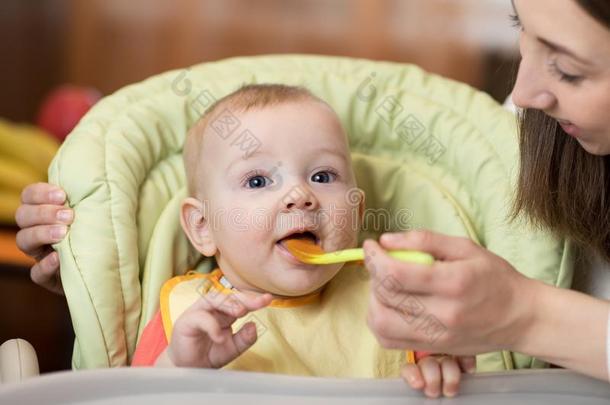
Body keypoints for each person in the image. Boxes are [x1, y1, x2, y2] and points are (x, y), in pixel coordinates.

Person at [15, 0, 610, 389]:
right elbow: (126, 398)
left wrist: (444, 372)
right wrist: (180, 369)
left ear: (358, 204)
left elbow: (467, 382)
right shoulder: (186, 313)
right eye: (257, 181)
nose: (299, 195)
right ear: (200, 228)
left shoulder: (404, 310)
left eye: (324, 177)